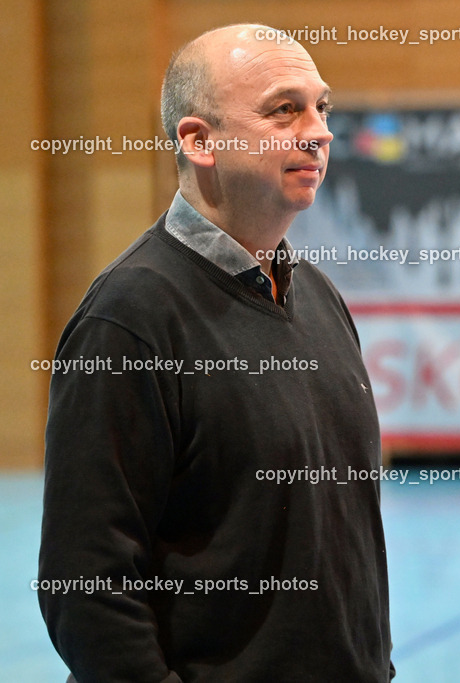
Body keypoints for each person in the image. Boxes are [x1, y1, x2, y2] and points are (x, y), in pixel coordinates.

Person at [38, 24, 393, 682]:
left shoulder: (319, 297)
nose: (319, 131)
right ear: (199, 141)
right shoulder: (128, 321)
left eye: (323, 107)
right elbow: (84, 589)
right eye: (285, 109)